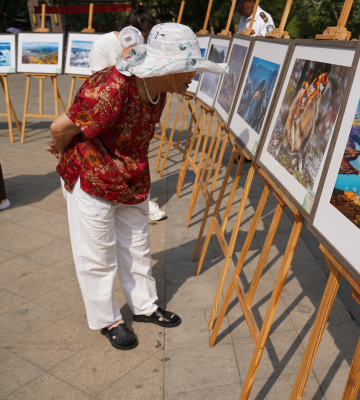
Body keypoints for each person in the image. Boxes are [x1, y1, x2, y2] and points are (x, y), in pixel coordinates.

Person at [45, 23, 228, 350]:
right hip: (93, 176)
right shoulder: (111, 89)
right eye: (190, 69)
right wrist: (62, 153)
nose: (194, 76)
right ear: (168, 69)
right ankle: (109, 320)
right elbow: (59, 128)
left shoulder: (159, 90)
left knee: (136, 245)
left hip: (131, 177)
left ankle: (144, 306)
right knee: (97, 254)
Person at [89, 6, 167, 221]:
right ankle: (113, 201)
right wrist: (122, 64)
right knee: (114, 160)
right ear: (130, 30)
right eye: (144, 36)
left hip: (139, 112)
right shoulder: (103, 43)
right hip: (112, 114)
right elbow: (96, 83)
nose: (145, 41)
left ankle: (141, 201)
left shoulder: (146, 46)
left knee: (138, 159)